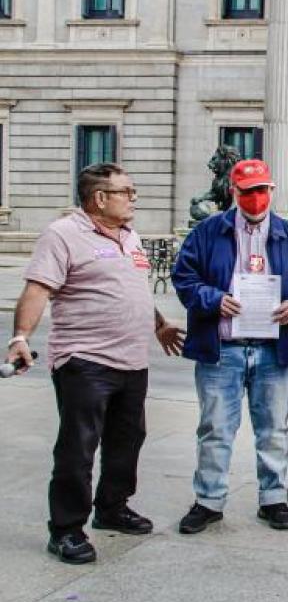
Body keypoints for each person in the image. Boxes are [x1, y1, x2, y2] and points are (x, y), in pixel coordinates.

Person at [6, 163, 184, 564]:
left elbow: (131, 288)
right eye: (126, 192)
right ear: (100, 198)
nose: (134, 198)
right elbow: (38, 288)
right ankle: (66, 529)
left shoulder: (130, 235)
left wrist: (158, 323)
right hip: (84, 359)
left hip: (132, 360)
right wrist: (21, 337)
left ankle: (112, 508)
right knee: (78, 446)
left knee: (128, 440)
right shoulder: (64, 234)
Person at [172, 159, 288, 534]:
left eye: (262, 191)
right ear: (234, 193)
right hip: (223, 348)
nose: (256, 199)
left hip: (275, 349)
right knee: (215, 427)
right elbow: (184, 277)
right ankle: (208, 500)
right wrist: (211, 298)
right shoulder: (208, 232)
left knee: (273, 428)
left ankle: (273, 498)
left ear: (271, 191)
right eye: (248, 192)